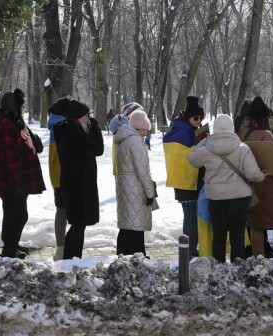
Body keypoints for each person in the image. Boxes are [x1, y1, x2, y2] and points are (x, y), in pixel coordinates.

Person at [189, 113, 265, 262]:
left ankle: (219, 268)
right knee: (237, 237)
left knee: (219, 236)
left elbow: (191, 159)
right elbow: (252, 174)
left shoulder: (207, 149)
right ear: (232, 129)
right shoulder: (243, 148)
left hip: (216, 199)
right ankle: (237, 269)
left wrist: (205, 141)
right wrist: (262, 176)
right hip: (240, 199)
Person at [0, 89, 45, 258]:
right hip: (12, 182)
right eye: (20, 106)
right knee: (17, 216)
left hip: (15, 182)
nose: (22, 109)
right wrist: (19, 183)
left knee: (15, 215)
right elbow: (10, 159)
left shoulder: (13, 122)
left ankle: (11, 244)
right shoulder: (6, 124)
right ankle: (9, 250)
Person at [238, 96, 273, 259]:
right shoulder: (266, 135)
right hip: (270, 187)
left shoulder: (242, 133)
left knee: (257, 223)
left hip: (251, 185)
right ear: (264, 117)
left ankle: (258, 258)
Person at [55, 99, 105, 260]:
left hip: (75, 184)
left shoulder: (68, 130)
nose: (88, 119)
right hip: (79, 187)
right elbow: (97, 148)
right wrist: (96, 128)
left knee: (78, 224)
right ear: (77, 117)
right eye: (86, 116)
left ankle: (71, 257)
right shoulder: (74, 133)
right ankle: (73, 257)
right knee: (78, 224)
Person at [163, 96, 206, 256]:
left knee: (191, 215)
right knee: (190, 217)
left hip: (186, 181)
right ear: (188, 117)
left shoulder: (185, 129)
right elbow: (185, 155)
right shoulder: (182, 131)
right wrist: (201, 144)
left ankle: (189, 248)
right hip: (187, 182)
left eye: (201, 118)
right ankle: (188, 250)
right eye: (196, 117)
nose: (199, 121)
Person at [114, 109, 156, 256]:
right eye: (146, 128)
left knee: (127, 227)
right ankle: (137, 258)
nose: (147, 132)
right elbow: (142, 170)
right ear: (140, 127)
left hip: (126, 188)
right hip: (136, 190)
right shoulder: (135, 141)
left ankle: (124, 256)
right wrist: (150, 193)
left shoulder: (124, 139)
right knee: (136, 228)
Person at [47, 96, 72, 260]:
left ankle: (60, 248)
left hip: (56, 174)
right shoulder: (65, 126)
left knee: (60, 211)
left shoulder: (54, 123)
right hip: (66, 174)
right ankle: (65, 249)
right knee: (65, 212)